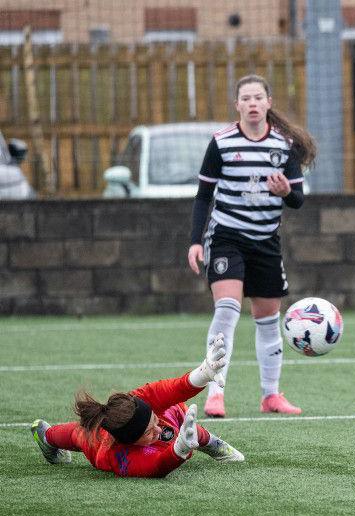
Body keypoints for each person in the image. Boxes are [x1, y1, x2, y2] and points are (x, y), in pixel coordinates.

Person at [188, 74, 318, 418]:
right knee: (227, 309)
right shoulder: (222, 142)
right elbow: (203, 197)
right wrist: (195, 242)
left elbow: (299, 200)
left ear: (268, 102)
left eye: (258, 97)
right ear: (238, 105)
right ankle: (216, 393)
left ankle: (271, 395)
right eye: (246, 98)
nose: (253, 104)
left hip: (266, 242)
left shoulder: (283, 145)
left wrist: (285, 192)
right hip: (227, 238)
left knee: (267, 318)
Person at [29, 334, 245, 478]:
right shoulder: (115, 454)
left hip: (170, 417)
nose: (158, 430)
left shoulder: (143, 400)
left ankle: (211, 442)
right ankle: (45, 436)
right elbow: (156, 467)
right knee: (78, 434)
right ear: (131, 442)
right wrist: (179, 450)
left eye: (153, 422)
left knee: (182, 418)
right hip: (100, 443)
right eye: (149, 432)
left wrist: (202, 374)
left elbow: (174, 388)